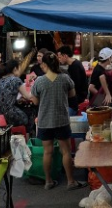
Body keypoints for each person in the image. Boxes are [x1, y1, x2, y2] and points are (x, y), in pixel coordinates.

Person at [30, 52, 85, 191]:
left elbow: (35, 102)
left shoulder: (39, 81)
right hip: (61, 120)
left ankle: (48, 181)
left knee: (47, 152)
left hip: (44, 121)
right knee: (66, 151)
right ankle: (71, 181)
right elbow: (73, 98)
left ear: (45, 65)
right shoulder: (65, 79)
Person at [0, 59, 36, 128]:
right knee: (30, 113)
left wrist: (17, 101)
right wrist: (34, 88)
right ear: (15, 69)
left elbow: (4, 100)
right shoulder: (15, 80)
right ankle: (27, 136)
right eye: (19, 69)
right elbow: (28, 97)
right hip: (10, 115)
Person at [57, 46, 88, 115]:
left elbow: (75, 86)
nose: (59, 60)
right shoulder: (72, 64)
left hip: (78, 97)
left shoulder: (75, 66)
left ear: (65, 56)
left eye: (59, 57)